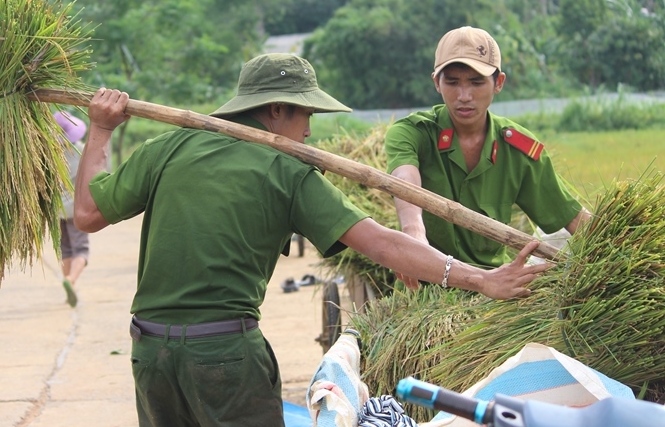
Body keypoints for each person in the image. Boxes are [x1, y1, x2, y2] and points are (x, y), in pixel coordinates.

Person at [72, 52, 550, 427]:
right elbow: (382, 243)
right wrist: (480, 280)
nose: (309, 130)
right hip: (225, 359)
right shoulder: (288, 170)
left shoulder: (166, 147)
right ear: (276, 110)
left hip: (150, 353)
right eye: (306, 115)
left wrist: (100, 130)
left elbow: (88, 214)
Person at [385, 26, 591, 275]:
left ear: (499, 83)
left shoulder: (519, 150)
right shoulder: (411, 133)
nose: (464, 96)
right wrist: (413, 232)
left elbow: (570, 216)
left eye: (476, 82)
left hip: (493, 287)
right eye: (452, 82)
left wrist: (624, 247)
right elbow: (405, 179)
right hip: (425, 279)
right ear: (436, 83)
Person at [54, 110, 90, 308]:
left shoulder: (49, 156)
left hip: (57, 210)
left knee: (65, 248)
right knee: (81, 249)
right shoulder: (81, 151)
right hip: (76, 212)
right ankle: (71, 280)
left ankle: (68, 283)